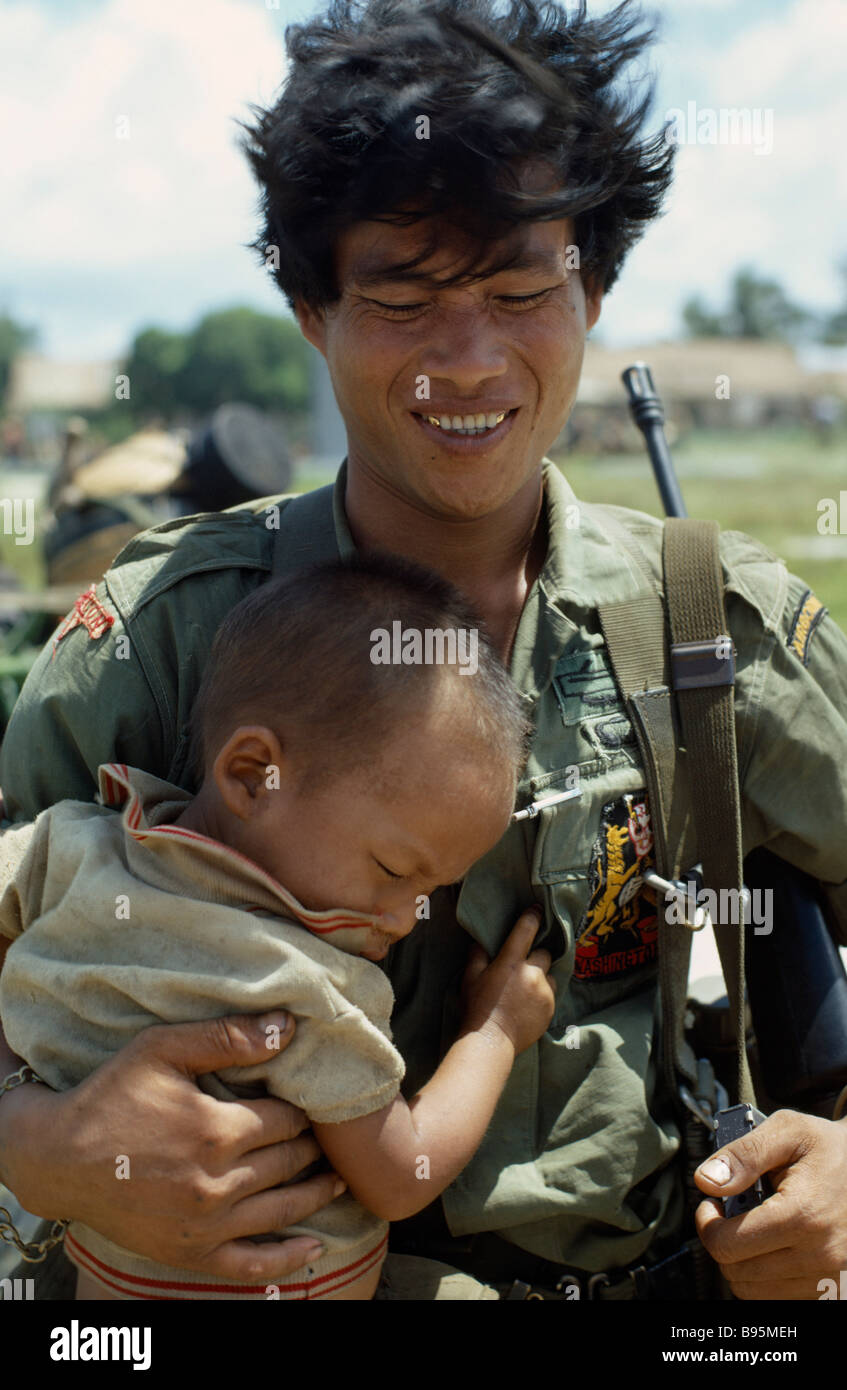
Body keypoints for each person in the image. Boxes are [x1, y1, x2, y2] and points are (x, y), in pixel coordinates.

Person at [1, 0, 846, 1302]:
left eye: (519, 289)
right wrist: (44, 1150)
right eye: (402, 294)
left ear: (595, 290)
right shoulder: (163, 637)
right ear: (308, 309)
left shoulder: (708, 626)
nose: (469, 358)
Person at [0, 555, 554, 1300]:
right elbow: (400, 1175)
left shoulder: (72, 848)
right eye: (394, 870)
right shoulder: (302, 989)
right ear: (255, 773)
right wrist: (492, 1035)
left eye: (432, 891)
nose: (403, 917)